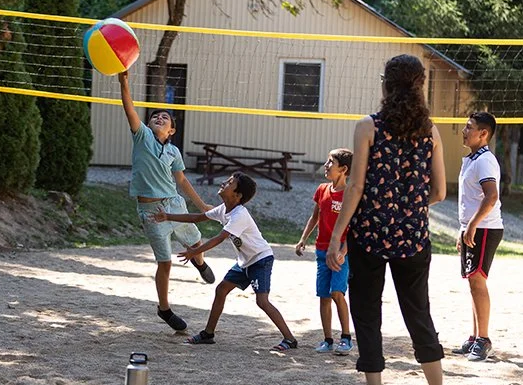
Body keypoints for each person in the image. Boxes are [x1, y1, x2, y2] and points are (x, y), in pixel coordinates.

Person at [327, 54, 448, 385]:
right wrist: (407, 205)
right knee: (419, 316)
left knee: (367, 315)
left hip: (370, 236)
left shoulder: (369, 127)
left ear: (386, 84)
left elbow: (357, 186)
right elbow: (440, 192)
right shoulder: (431, 130)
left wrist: (337, 236)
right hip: (412, 237)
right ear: (419, 87)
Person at [153, 172, 298, 351]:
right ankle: (208, 334)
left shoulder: (239, 215)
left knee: (262, 301)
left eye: (230, 183)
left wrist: (195, 252)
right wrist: (167, 216)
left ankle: (290, 339)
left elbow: (220, 238)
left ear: (237, 196)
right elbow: (196, 217)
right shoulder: (224, 208)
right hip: (245, 261)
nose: (224, 183)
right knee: (221, 290)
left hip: (261, 260)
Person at [118, 71, 215, 333]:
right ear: (149, 124)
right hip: (151, 210)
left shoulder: (173, 151)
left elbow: (182, 181)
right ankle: (164, 309)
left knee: (195, 241)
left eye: (165, 117)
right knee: (165, 262)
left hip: (174, 204)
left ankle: (200, 262)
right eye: (155, 116)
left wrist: (202, 205)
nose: (159, 117)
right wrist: (124, 82)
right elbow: (129, 109)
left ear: (171, 130)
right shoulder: (142, 137)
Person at [453, 112, 504, 362]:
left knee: (477, 281)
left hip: (486, 228)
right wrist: (463, 229)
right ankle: (474, 337)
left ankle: (483, 340)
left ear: (483, 134)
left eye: (469, 127)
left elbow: (491, 197)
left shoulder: (485, 161)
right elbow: (470, 200)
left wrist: (472, 225)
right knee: (472, 283)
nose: (464, 131)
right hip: (474, 227)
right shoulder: (472, 159)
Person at [295, 148, 354, 355]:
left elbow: (355, 230)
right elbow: (315, 218)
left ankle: (346, 338)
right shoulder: (322, 189)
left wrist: (344, 252)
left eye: (331, 162)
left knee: (337, 293)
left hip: (340, 252)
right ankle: (328, 340)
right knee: (324, 296)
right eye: (327, 161)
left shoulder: (350, 194)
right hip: (321, 250)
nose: (326, 165)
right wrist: (303, 239)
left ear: (344, 169)